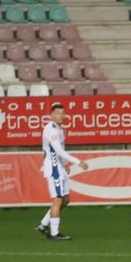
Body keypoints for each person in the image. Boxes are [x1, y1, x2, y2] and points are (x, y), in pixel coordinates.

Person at [35, 102, 81, 241]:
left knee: (65, 200)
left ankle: (43, 224)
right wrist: (78, 161)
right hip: (54, 169)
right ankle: (54, 233)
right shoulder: (51, 130)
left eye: (63, 113)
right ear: (52, 115)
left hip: (60, 167)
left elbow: (61, 149)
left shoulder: (60, 129)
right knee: (57, 200)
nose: (61, 116)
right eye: (58, 113)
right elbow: (58, 150)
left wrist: (65, 163)